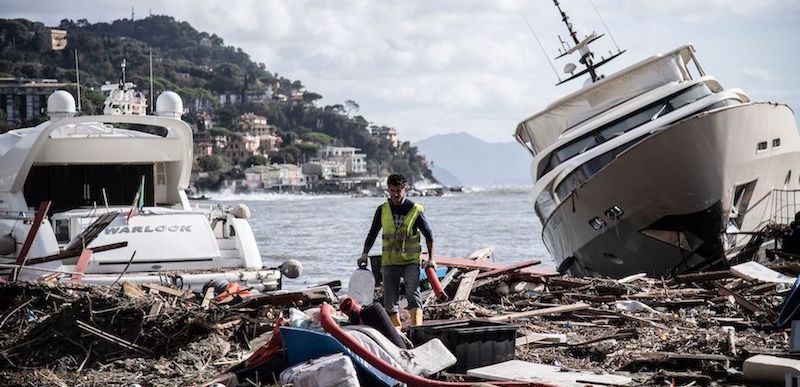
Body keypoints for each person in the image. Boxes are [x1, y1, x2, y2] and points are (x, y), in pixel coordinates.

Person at [359, 173, 435, 328]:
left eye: (398, 191)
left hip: (410, 262)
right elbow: (372, 233)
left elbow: (429, 235)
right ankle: (398, 332)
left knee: (413, 294)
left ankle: (416, 328)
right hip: (390, 262)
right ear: (388, 189)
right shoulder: (382, 210)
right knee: (389, 301)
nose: (395, 194)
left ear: (404, 189)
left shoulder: (415, 210)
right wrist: (364, 254)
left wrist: (431, 258)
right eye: (392, 190)